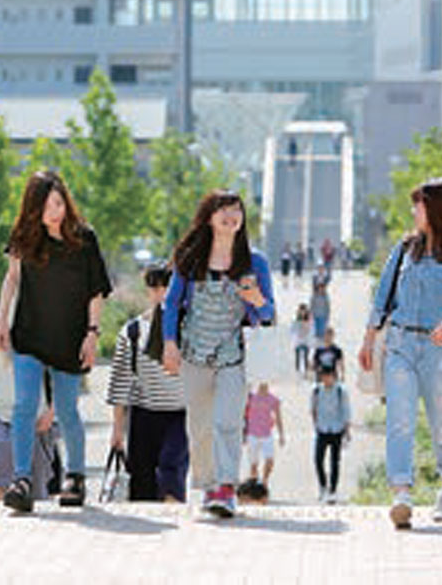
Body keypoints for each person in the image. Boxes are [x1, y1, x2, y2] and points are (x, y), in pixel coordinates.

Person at [360, 178, 442, 529]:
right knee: (399, 419)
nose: (414, 211)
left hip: (439, 348)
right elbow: (382, 296)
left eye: (419, 205)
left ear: (437, 209)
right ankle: (401, 494)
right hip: (399, 345)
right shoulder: (405, 248)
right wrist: (368, 342)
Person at [0, 171, 113, 513]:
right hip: (29, 334)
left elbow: (96, 291)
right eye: (46, 207)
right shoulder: (24, 237)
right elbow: (12, 278)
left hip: (70, 339)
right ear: (33, 209)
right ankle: (21, 479)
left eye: (58, 204)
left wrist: (92, 334)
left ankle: (74, 476)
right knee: (24, 406)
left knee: (68, 410)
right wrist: (2, 321)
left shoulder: (84, 239)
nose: (54, 212)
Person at [161, 190, 276, 518]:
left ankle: (226, 488)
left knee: (227, 422)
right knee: (199, 426)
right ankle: (209, 485)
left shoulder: (255, 262)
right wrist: (169, 342)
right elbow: (171, 304)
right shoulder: (191, 257)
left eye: (236, 210)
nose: (231, 216)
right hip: (194, 354)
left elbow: (268, 314)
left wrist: (255, 299)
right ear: (209, 217)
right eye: (223, 210)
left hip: (232, 356)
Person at [106, 263, 189, 502]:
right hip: (143, 414)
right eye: (155, 287)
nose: (160, 292)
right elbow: (120, 383)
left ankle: (177, 528)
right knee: (141, 483)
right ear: (148, 291)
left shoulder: (190, 329)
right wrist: (117, 429)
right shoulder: (132, 331)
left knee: (170, 471)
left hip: (180, 414)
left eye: (167, 286)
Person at [0, 324, 62, 501]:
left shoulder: (43, 330)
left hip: (34, 418)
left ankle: (30, 521)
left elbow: (61, 373)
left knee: (34, 484)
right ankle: (3, 521)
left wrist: (52, 412)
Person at [311, 366, 351, 504]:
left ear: (334, 376)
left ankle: (333, 490)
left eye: (330, 376)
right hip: (322, 428)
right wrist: (315, 425)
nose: (327, 379)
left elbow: (346, 410)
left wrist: (347, 431)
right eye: (324, 376)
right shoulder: (316, 390)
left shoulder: (341, 391)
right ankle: (323, 486)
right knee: (318, 459)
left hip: (336, 429)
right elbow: (313, 409)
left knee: (335, 461)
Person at [243, 382, 284, 488]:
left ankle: (265, 479)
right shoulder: (250, 398)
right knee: (253, 464)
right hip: (252, 433)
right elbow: (242, 415)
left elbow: (278, 417)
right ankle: (254, 487)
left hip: (266, 434)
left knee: (270, 460)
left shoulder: (273, 399)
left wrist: (281, 434)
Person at [291, 304, 312, 376]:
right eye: (301, 311)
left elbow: (310, 330)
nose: (302, 313)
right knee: (297, 358)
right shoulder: (296, 321)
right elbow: (293, 330)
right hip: (298, 342)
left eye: (304, 311)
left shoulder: (309, 321)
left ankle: (306, 372)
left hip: (306, 342)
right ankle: (297, 372)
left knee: (306, 357)